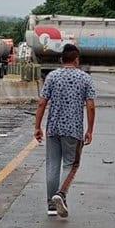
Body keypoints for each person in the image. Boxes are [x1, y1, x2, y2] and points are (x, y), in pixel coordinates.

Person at [34, 44, 96, 218]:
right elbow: (90, 106)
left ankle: (51, 206)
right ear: (77, 60)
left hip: (53, 128)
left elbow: (42, 103)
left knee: (52, 165)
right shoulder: (85, 78)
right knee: (71, 164)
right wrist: (90, 130)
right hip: (73, 130)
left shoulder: (52, 77)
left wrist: (37, 126)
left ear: (62, 59)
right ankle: (60, 194)